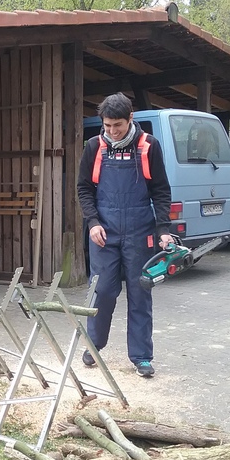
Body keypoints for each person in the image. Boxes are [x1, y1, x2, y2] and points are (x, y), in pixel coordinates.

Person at [77, 93, 173, 377]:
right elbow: (84, 188)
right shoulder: (94, 146)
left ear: (131, 118)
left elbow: (161, 190)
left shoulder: (148, 146)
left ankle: (141, 357)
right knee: (102, 291)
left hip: (140, 231)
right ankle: (94, 344)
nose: (112, 131)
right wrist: (93, 222)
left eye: (117, 125)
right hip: (104, 233)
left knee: (140, 292)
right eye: (107, 125)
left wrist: (163, 229)